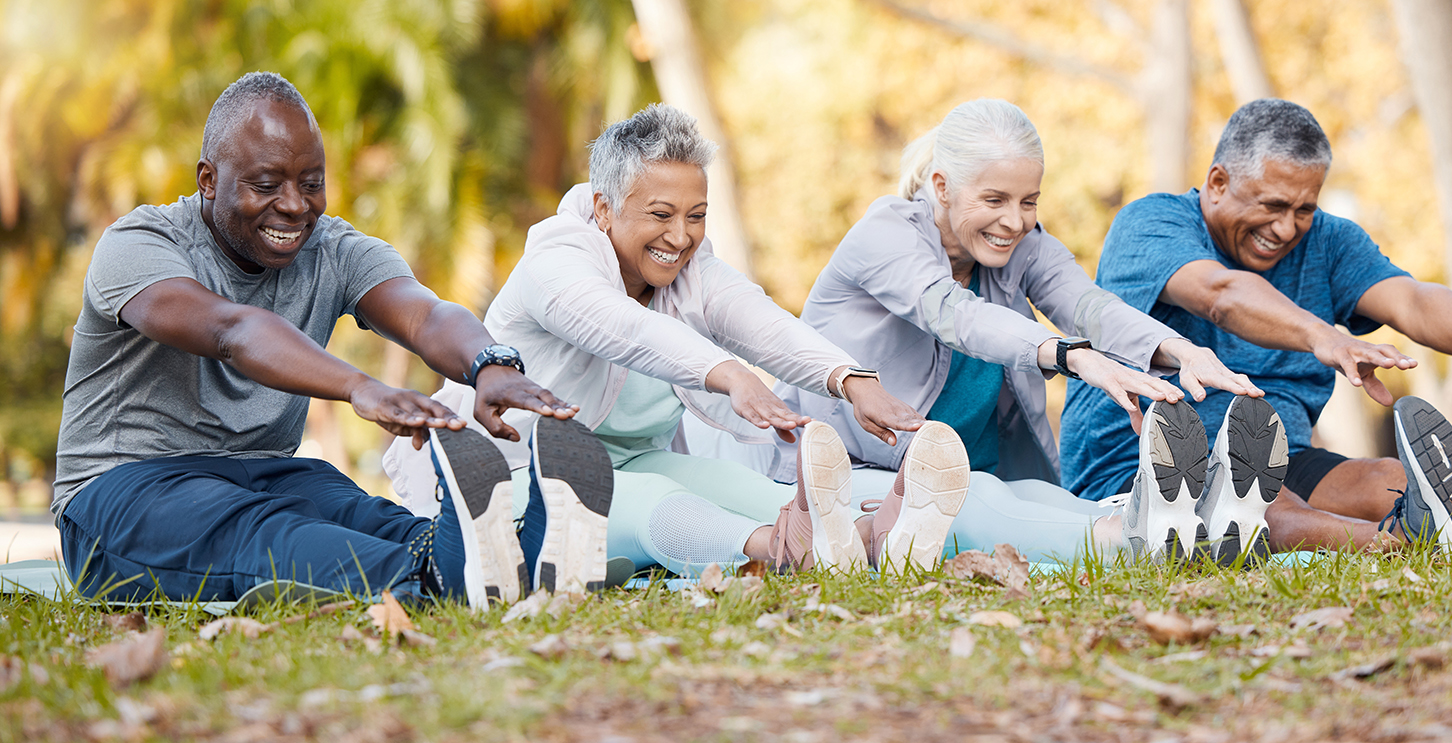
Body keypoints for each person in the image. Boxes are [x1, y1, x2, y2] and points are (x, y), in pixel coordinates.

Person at [52, 72, 578, 608]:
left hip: (263, 473)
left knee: (355, 510)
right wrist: (358, 387)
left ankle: (508, 558)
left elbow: (425, 315)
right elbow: (232, 330)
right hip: (119, 492)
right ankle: (432, 576)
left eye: (311, 183)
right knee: (263, 529)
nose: (295, 206)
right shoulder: (138, 244)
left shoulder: (333, 249)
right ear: (208, 179)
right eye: (266, 185)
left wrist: (489, 363)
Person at [384, 104, 958, 578]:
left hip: (634, 458)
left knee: (738, 485)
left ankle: (869, 539)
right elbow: (626, 330)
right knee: (648, 503)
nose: (680, 236)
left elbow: (758, 318)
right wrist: (729, 374)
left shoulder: (691, 269)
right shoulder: (554, 263)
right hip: (508, 475)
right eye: (661, 214)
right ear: (605, 207)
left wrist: (850, 379)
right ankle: (789, 551)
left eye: (697, 215)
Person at [1061, 98, 1452, 555]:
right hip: (1146, 461)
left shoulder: (1328, 240)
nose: (1286, 228)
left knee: (1387, 480)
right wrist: (1322, 335)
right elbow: (1221, 295)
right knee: (1270, 513)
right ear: (1217, 182)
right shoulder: (1151, 223)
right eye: (1272, 205)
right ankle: (1405, 544)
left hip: (1275, 453)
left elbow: (1412, 300)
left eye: (1304, 208)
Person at [774, 98, 1263, 565]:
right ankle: (1132, 538)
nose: (1014, 221)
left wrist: (1178, 349)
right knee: (973, 503)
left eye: (1029, 201)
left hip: (973, 472)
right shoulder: (885, 235)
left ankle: (1194, 523)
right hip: (852, 476)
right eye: (994, 199)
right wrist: (1072, 357)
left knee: (1043, 501)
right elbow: (956, 316)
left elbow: (1087, 305)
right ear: (942, 186)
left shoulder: (1022, 245)